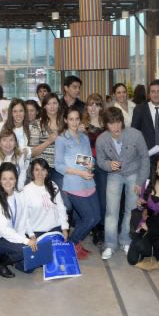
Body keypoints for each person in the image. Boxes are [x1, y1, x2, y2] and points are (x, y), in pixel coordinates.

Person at [96, 107, 150, 260]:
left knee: (131, 210)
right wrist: (109, 165)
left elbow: (145, 158)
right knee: (111, 211)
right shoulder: (101, 140)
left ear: (122, 121)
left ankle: (126, 241)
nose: (116, 127)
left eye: (118, 122)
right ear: (105, 124)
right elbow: (100, 161)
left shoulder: (136, 135)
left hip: (134, 173)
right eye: (111, 123)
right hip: (114, 175)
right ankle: (110, 244)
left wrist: (140, 181)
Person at [55, 105, 100, 259]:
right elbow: (59, 165)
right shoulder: (61, 139)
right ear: (66, 120)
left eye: (77, 119)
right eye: (71, 119)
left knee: (96, 217)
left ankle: (76, 243)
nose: (74, 122)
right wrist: (80, 172)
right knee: (89, 218)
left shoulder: (84, 137)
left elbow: (88, 158)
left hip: (89, 182)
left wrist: (91, 165)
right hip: (74, 184)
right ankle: (71, 244)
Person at [0, 162, 36, 278]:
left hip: (12, 236)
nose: (8, 182)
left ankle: (5, 256)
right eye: (4, 179)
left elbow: (25, 218)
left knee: (29, 268)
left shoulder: (19, 195)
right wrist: (25, 241)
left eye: (11, 178)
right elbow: (3, 229)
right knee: (23, 250)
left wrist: (31, 235)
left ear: (16, 180)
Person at [22, 158, 69, 239]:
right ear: (32, 172)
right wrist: (30, 234)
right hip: (36, 231)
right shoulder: (26, 190)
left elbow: (61, 207)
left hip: (55, 228)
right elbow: (24, 217)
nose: (40, 173)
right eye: (37, 170)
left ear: (47, 172)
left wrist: (64, 228)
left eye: (43, 170)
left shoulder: (53, 185)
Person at [131, 80, 159, 157]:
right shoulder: (139, 109)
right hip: (146, 154)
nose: (156, 94)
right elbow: (134, 132)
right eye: (153, 91)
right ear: (149, 94)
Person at [83, 93, 106, 245]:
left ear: (101, 107)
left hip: (103, 165)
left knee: (103, 198)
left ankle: (101, 227)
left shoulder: (107, 124)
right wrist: (87, 164)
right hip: (87, 165)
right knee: (90, 198)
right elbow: (76, 149)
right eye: (90, 104)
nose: (93, 108)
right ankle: (95, 227)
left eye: (97, 105)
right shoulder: (81, 124)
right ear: (86, 107)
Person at [29, 93, 63, 190]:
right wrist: (48, 141)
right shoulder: (37, 124)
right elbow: (32, 152)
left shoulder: (65, 123)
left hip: (60, 167)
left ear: (59, 105)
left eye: (54, 103)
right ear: (44, 106)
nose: (52, 106)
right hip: (42, 168)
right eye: (48, 104)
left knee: (63, 197)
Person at [0, 129, 28, 198]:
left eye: (11, 140)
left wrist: (19, 189)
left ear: (15, 143)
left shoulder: (19, 155)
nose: (8, 143)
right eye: (4, 140)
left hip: (12, 191)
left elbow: (22, 172)